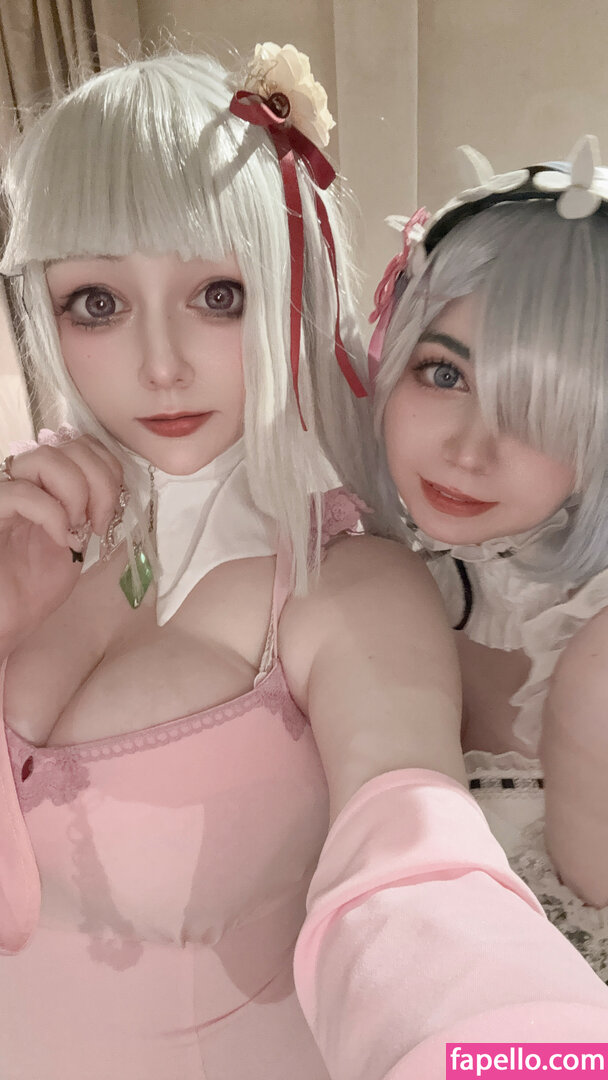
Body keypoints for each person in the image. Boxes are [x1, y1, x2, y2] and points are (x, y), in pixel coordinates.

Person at [1, 50, 608, 1080]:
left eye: (219, 294)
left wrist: (522, 1056)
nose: (161, 365)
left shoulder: (351, 588)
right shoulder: (35, 527)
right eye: (96, 302)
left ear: (294, 288)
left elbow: (412, 861)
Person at [365, 137, 608, 983]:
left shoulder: (595, 647)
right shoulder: (340, 573)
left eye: (540, 411)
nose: (470, 451)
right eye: (443, 374)